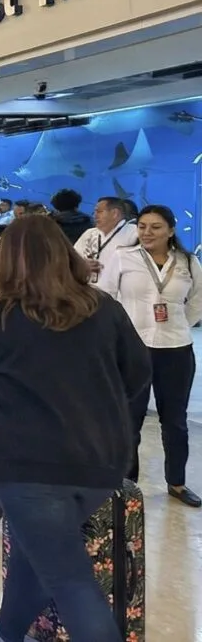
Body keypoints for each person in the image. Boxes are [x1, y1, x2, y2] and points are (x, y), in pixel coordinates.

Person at [0, 215, 151, 642]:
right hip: (100, 460)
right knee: (40, 551)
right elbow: (138, 373)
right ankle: (3, 633)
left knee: (69, 578)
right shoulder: (102, 307)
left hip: (28, 464)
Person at [99, 205, 202, 507]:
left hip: (176, 349)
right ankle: (126, 485)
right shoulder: (123, 257)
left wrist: (180, 323)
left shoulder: (187, 261)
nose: (147, 232)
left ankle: (177, 483)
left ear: (171, 230)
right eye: (142, 226)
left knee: (175, 422)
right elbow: (105, 298)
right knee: (130, 420)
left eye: (155, 227)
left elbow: (198, 300)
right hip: (133, 350)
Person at [73, 196, 138, 285]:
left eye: (99, 212)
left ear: (115, 213)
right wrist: (81, 264)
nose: (95, 216)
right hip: (88, 288)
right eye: (94, 212)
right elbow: (72, 259)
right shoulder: (89, 233)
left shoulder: (135, 232)